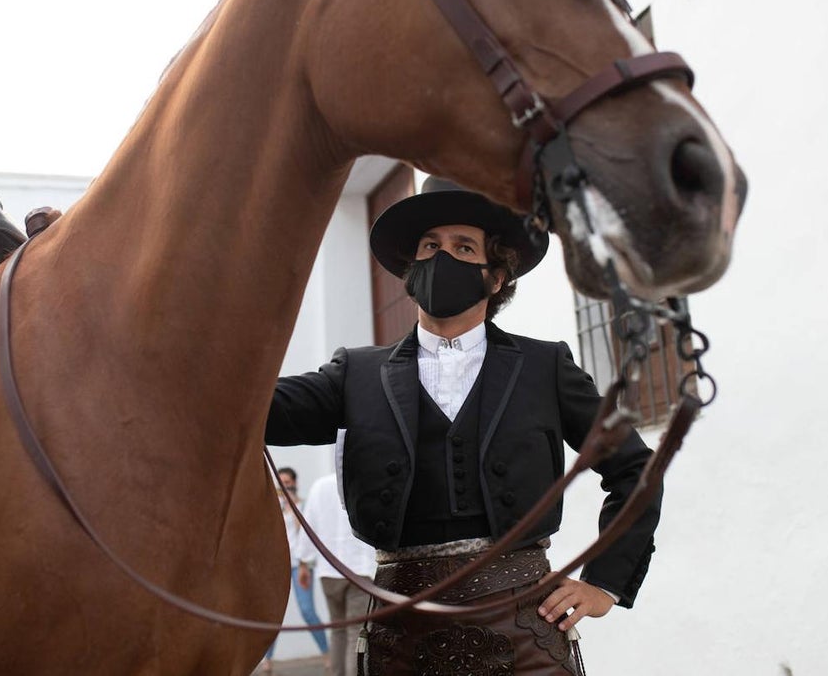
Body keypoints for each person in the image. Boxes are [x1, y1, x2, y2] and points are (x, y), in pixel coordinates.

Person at [266, 176, 662, 675]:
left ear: (495, 277)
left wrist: (603, 583)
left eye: (462, 247)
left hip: (526, 630)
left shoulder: (544, 366)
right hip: (401, 637)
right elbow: (254, 410)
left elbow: (636, 468)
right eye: (430, 246)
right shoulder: (355, 375)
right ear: (411, 270)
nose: (441, 257)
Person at [294, 435, 378, 676]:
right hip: (359, 570)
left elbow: (309, 527)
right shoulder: (364, 484)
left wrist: (303, 564)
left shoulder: (319, 487)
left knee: (338, 631)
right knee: (355, 633)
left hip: (328, 572)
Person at [262, 467, 330, 674]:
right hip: (277, 568)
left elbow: (307, 536)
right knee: (271, 617)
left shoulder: (304, 506)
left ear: (295, 483)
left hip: (299, 565)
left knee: (308, 611)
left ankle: (326, 652)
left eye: (288, 482)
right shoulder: (273, 509)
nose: (285, 486)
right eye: (281, 482)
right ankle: (267, 659)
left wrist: (293, 510)